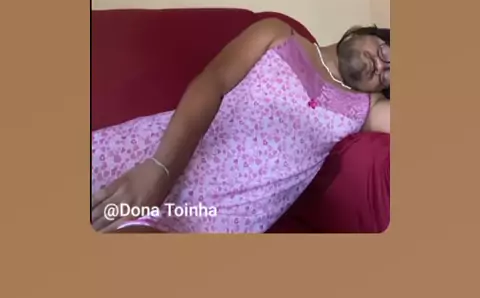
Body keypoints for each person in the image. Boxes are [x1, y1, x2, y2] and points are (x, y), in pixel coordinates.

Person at [91, 18, 390, 234]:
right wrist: (160, 169)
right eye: (386, 52)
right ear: (362, 31)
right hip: (158, 156)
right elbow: (213, 82)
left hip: (214, 218)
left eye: (389, 74)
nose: (380, 65)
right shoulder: (278, 34)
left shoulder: (367, 107)